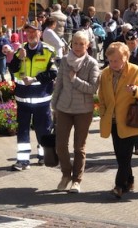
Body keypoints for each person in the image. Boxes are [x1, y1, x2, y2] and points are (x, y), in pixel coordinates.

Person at [98, 41, 138, 199]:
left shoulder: (135, 71)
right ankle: (130, 180)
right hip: (112, 121)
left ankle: (119, 186)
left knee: (125, 156)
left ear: (125, 58)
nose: (112, 64)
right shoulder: (106, 73)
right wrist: (103, 113)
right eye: (110, 61)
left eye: (116, 61)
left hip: (130, 120)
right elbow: (101, 97)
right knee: (120, 156)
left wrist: (136, 90)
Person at [51, 30, 100, 193]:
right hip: (64, 107)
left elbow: (93, 89)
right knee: (60, 145)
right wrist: (54, 104)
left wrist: (75, 80)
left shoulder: (92, 63)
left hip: (83, 110)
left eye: (82, 44)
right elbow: (59, 84)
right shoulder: (65, 61)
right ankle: (66, 174)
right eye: (76, 43)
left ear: (88, 46)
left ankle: (77, 180)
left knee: (79, 147)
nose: (78, 47)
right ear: (71, 44)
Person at [5, 23, 58, 170]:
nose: (30, 35)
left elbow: (53, 73)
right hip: (23, 98)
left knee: (44, 129)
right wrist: (16, 59)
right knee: (22, 130)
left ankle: (44, 156)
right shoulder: (20, 50)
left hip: (41, 98)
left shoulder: (48, 51)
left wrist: (34, 79)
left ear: (40, 33)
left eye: (33, 32)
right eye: (28, 32)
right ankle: (23, 161)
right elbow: (13, 69)